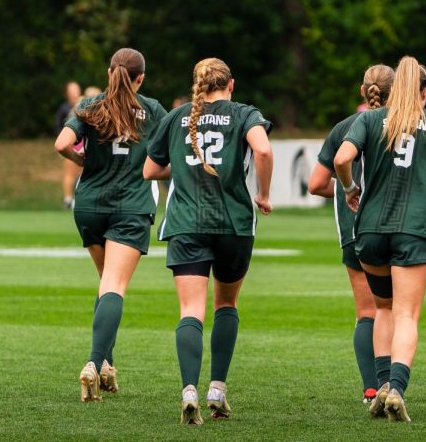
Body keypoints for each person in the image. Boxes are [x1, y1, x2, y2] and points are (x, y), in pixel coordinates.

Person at [333, 56, 426, 423]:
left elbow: (342, 158)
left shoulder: (369, 119)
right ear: (424, 92)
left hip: (371, 229)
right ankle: (396, 388)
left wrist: (350, 188)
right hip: (414, 231)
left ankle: (378, 388)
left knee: (382, 309)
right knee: (406, 313)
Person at [143, 57, 274, 425]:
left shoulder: (178, 116)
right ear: (230, 85)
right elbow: (262, 150)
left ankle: (189, 390)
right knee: (226, 304)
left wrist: (184, 166)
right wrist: (263, 194)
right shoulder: (244, 113)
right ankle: (217, 388)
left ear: (197, 85)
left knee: (190, 311)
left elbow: (150, 170)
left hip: (186, 223)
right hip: (233, 224)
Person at [52, 49, 166, 402]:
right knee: (114, 286)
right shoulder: (153, 109)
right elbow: (165, 157)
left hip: (89, 205)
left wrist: (79, 159)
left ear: (109, 72)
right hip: (130, 207)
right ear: (140, 78)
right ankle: (93, 361)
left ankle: (106, 367)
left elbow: (61, 144)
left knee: (106, 284)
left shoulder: (90, 105)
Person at [308, 64, 396, 406]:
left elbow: (316, 184)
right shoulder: (403, 125)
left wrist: (352, 190)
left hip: (354, 227)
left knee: (366, 312)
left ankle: (371, 388)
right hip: (396, 226)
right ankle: (393, 382)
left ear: (363, 91)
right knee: (394, 309)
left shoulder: (345, 127)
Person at [55, 81, 83, 209]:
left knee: (81, 172)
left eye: (76, 90)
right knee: (69, 173)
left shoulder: (84, 105)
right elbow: (58, 126)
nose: (74, 93)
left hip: (82, 144)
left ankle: (79, 199)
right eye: (71, 90)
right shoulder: (64, 108)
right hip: (70, 145)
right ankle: (67, 200)